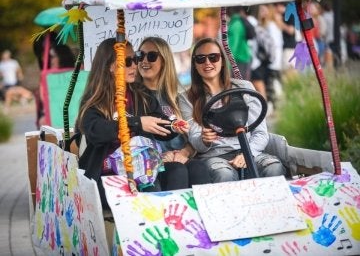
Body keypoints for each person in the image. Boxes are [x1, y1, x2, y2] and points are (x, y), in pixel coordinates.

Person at [75, 38, 180, 208]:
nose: (134, 66)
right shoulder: (95, 100)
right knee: (149, 191)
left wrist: (174, 126)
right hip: (107, 174)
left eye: (135, 59)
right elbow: (96, 132)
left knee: (171, 175)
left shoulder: (141, 95)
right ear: (110, 66)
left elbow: (161, 126)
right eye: (127, 61)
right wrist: (136, 123)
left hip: (141, 169)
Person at [179, 37, 286, 183]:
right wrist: (204, 140)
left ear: (222, 61)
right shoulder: (186, 98)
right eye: (200, 59)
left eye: (213, 57)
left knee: (274, 167)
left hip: (249, 150)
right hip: (214, 157)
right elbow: (196, 140)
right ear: (194, 65)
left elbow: (260, 133)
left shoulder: (244, 88)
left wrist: (248, 154)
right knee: (224, 175)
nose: (207, 63)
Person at [136, 36, 212, 189]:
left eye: (151, 56)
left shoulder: (178, 95)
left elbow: (193, 135)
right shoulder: (133, 95)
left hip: (179, 157)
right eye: (140, 55)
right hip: (147, 162)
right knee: (177, 171)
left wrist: (184, 152)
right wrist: (160, 157)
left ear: (164, 61)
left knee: (199, 168)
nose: (144, 61)